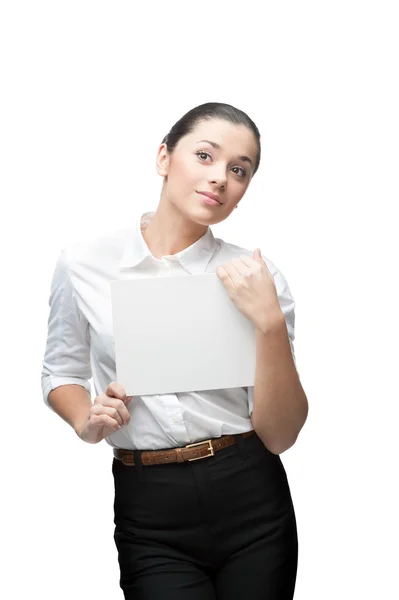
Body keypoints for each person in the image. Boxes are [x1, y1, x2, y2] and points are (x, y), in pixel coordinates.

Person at [41, 101, 308, 599]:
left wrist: (269, 323)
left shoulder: (256, 276)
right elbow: (60, 370)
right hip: (150, 507)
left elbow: (282, 433)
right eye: (204, 156)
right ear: (164, 157)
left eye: (238, 170)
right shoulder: (85, 263)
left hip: (251, 495)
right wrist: (86, 421)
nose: (220, 178)